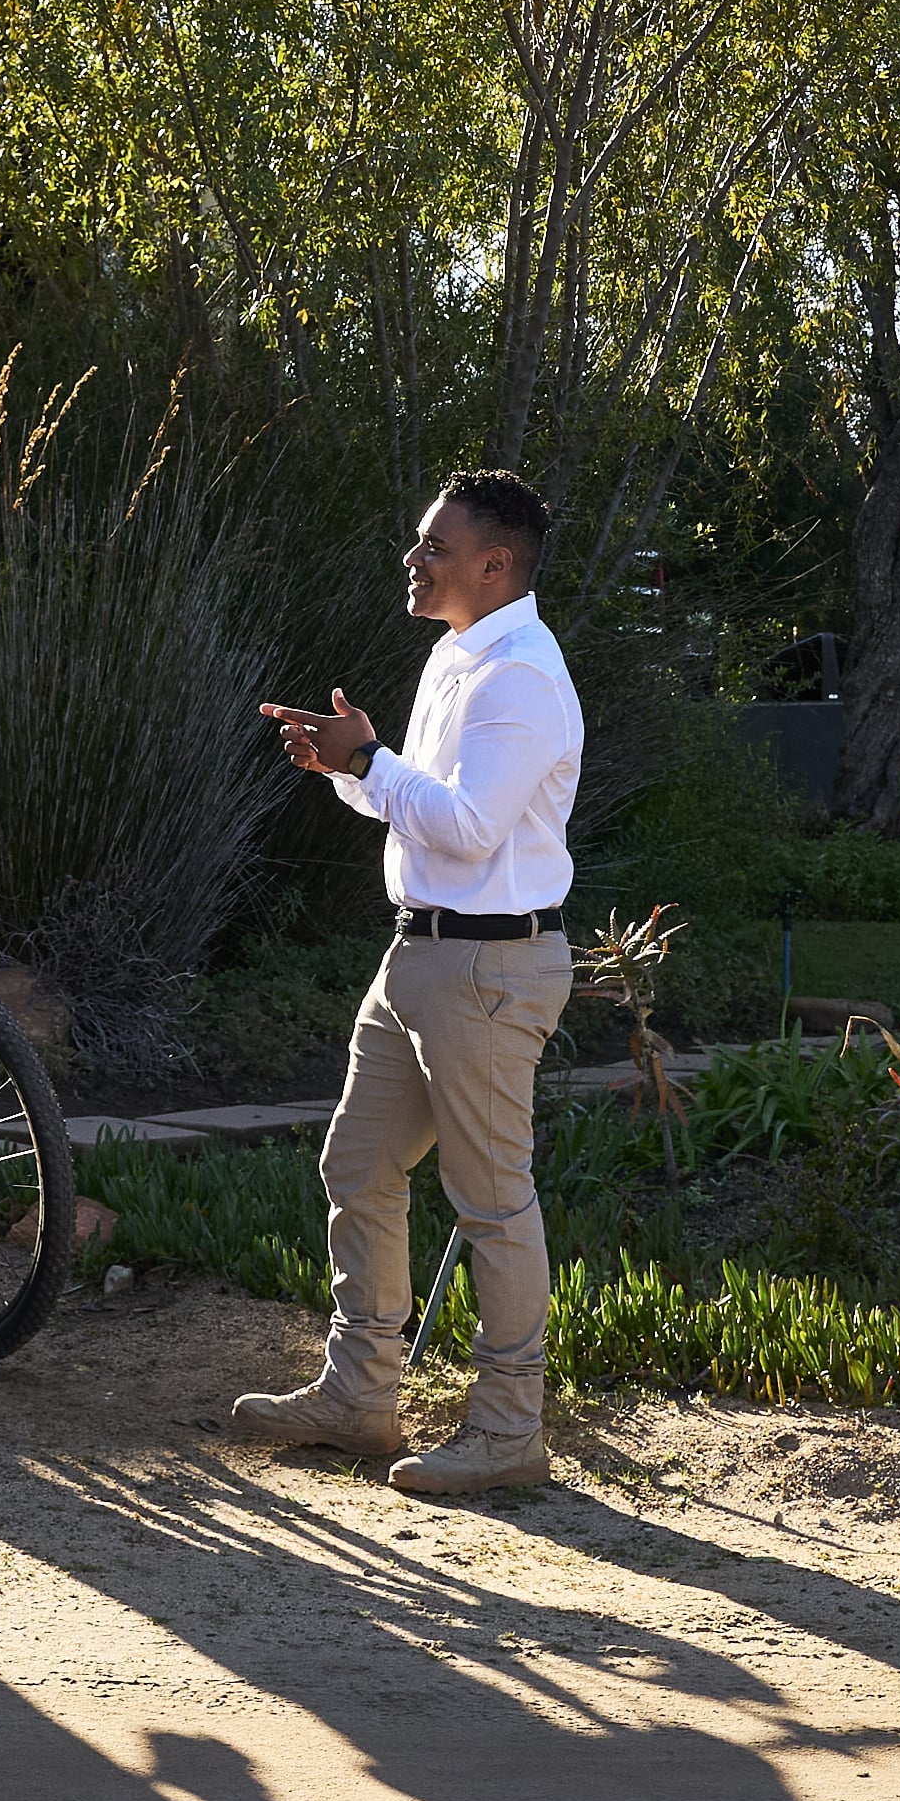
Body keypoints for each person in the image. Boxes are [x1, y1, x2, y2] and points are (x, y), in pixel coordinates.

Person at [227, 468, 579, 1494]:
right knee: (357, 1164)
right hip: (419, 956)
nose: (412, 560)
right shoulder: (454, 658)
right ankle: (358, 1399)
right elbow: (413, 806)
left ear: (494, 563)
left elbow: (470, 828)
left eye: (432, 546)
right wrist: (342, 766)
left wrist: (369, 757)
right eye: (417, 543)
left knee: (491, 1204)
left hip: (486, 965)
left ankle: (510, 1430)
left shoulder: (519, 674)